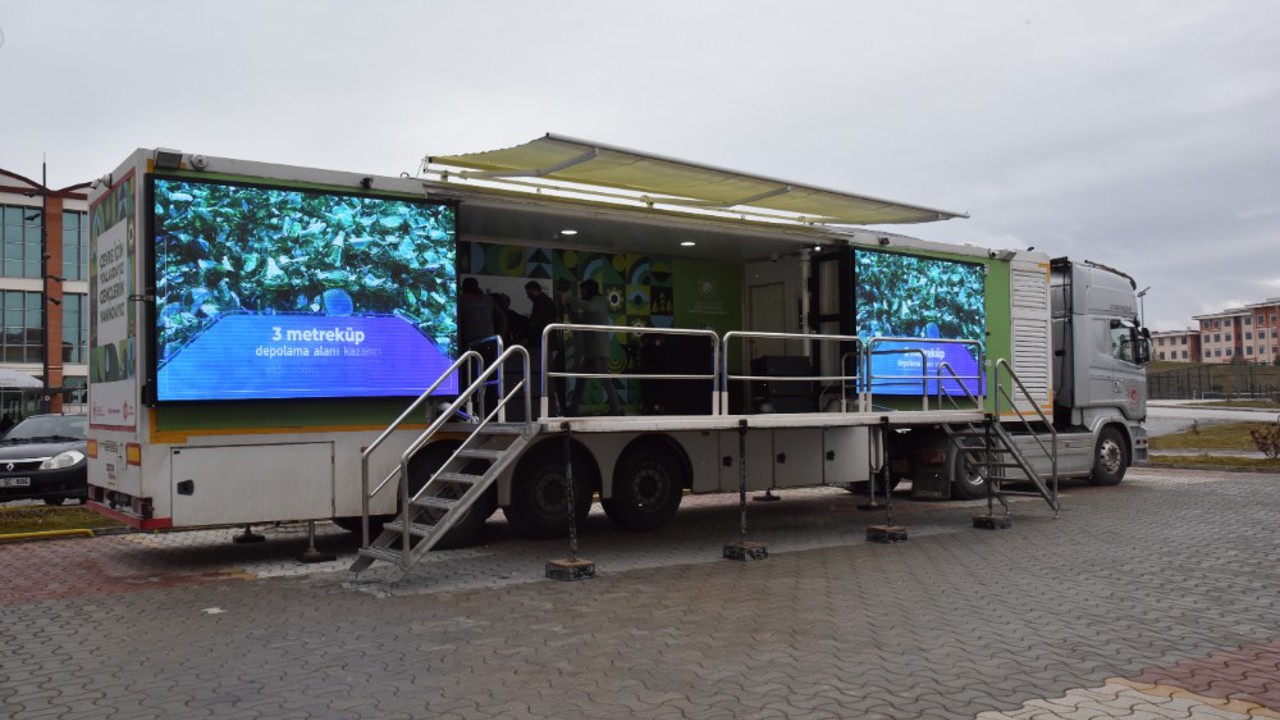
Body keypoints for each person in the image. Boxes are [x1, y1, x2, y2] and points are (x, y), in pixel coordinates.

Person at [558, 279, 622, 415]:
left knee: (604, 381)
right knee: (581, 381)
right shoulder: (591, 304)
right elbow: (578, 322)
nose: (582, 293)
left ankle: (616, 410)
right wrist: (569, 307)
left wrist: (569, 299)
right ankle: (573, 410)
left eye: (584, 290)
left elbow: (589, 307)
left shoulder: (600, 301)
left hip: (598, 350)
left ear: (590, 289)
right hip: (590, 351)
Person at [525, 281, 560, 415]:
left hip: (547, 345)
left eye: (528, 293)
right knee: (547, 376)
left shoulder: (541, 303)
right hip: (550, 344)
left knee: (546, 376)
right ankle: (553, 408)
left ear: (534, 290)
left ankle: (553, 408)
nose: (528, 296)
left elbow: (537, 323)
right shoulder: (547, 302)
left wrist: (529, 338)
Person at [458, 277, 507, 351]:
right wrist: (501, 336)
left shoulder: (462, 299)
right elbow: (503, 317)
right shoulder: (488, 299)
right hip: (489, 339)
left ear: (464, 287)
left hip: (470, 340)